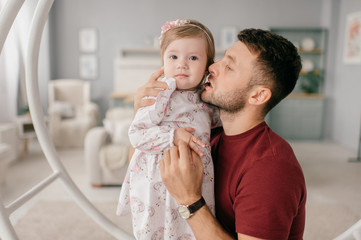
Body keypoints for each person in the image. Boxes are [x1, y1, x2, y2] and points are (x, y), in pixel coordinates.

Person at [134, 28, 307, 240]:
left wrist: (189, 200)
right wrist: (142, 114)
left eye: (229, 66)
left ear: (258, 95)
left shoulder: (271, 168)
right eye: (221, 59)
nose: (212, 66)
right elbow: (138, 168)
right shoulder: (206, 132)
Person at [117, 19, 220, 239]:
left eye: (193, 58)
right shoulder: (160, 92)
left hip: (195, 173)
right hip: (157, 174)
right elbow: (137, 134)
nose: (182, 64)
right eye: (174, 57)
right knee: (156, 228)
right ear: (163, 60)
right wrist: (174, 136)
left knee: (192, 227)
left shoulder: (208, 98)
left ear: (207, 65)